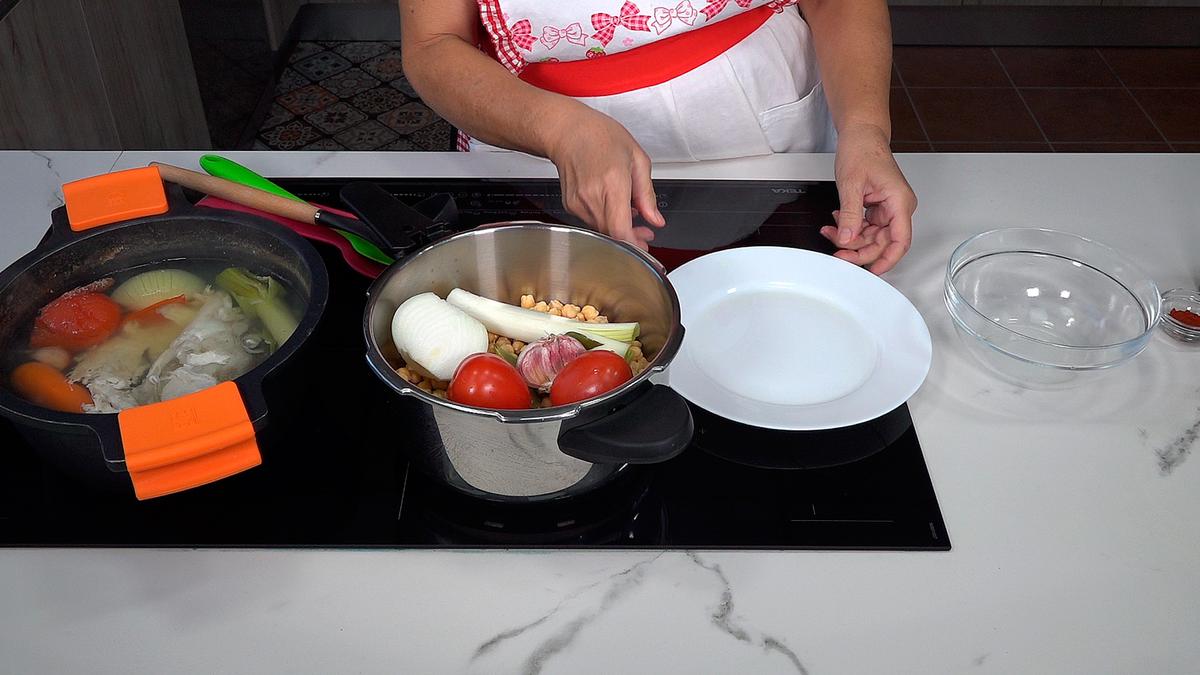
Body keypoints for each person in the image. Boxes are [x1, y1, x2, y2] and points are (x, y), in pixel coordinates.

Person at [399, 0, 916, 274]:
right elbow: (434, 44)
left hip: (774, 139)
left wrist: (866, 131)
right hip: (540, 152)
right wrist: (560, 131)